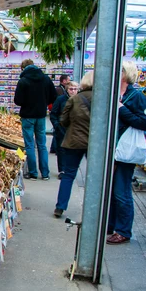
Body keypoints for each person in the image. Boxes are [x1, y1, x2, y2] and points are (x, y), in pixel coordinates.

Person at [107, 61, 146, 244]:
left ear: (125, 74)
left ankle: (123, 231)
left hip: (126, 152)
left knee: (121, 191)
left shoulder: (136, 97)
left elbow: (145, 123)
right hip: (112, 150)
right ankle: (110, 224)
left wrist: (122, 109)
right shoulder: (116, 94)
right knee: (110, 191)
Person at [53, 74, 92, 218]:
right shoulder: (101, 99)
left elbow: (63, 120)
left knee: (68, 175)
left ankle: (60, 207)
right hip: (93, 143)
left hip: (73, 141)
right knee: (93, 175)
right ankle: (92, 211)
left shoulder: (75, 99)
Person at [14, 59, 57, 180]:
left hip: (27, 116)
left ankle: (33, 173)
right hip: (41, 116)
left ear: (23, 68)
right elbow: (54, 96)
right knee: (42, 145)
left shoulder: (23, 81)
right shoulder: (45, 79)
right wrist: (43, 102)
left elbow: (17, 101)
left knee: (30, 145)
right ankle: (45, 173)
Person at [50, 81, 79, 179]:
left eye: (75, 89)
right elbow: (53, 113)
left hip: (75, 130)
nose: (73, 91)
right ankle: (62, 170)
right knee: (61, 150)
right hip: (62, 129)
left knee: (73, 150)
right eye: (71, 89)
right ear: (67, 89)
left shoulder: (80, 100)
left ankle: (69, 168)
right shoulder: (61, 99)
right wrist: (56, 125)